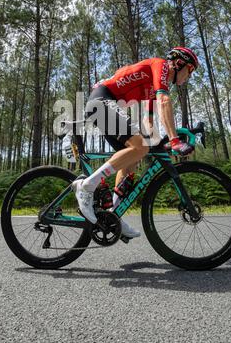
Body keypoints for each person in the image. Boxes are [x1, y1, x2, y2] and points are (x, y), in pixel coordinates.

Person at [72, 46, 199, 239]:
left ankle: (112, 215)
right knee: (139, 147)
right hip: (103, 100)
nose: (188, 77)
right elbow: (164, 101)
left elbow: (148, 122)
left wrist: (160, 142)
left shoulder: (154, 85)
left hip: (107, 104)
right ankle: (87, 185)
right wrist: (174, 141)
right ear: (179, 63)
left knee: (132, 159)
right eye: (189, 70)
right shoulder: (162, 66)